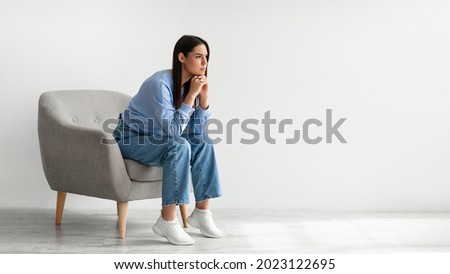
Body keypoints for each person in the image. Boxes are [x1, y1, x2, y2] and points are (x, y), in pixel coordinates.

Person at [113, 35, 222, 245]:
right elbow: (173, 132)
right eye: (198, 56)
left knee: (204, 141)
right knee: (179, 144)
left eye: (206, 57)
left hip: (158, 137)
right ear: (181, 57)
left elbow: (197, 131)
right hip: (130, 137)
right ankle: (167, 220)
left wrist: (204, 100)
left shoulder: (192, 85)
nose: (204, 63)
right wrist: (191, 97)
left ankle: (202, 212)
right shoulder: (159, 83)